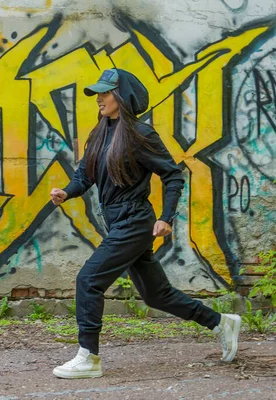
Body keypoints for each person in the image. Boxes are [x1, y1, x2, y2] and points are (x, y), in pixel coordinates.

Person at [49, 68, 241, 379]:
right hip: (118, 222)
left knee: (88, 279)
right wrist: (66, 192)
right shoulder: (99, 133)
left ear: (122, 98)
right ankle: (221, 322)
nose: (99, 98)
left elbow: (172, 175)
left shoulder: (141, 135)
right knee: (156, 295)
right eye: (98, 93)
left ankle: (88, 357)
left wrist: (166, 217)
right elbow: (84, 175)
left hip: (135, 221)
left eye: (105, 93)